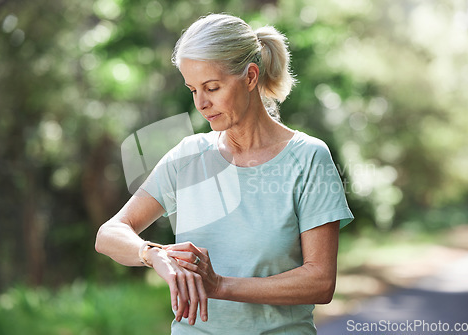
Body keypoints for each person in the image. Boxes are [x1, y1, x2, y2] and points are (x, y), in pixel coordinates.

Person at [95, 13, 354, 334]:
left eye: (212, 87)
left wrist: (219, 285)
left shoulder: (308, 158)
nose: (201, 103)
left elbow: (320, 281)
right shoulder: (188, 156)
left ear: (250, 77)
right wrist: (152, 255)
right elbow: (109, 234)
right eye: (192, 90)